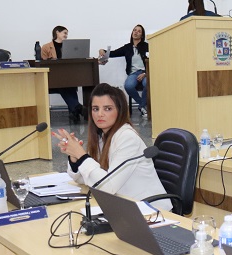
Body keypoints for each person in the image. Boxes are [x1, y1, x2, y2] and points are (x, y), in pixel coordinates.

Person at [52, 83, 171, 211]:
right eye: (95, 109)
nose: (100, 114)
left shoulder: (127, 138)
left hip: (151, 210)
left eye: (107, 109)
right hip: (123, 206)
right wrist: (75, 158)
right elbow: (87, 179)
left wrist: (81, 155)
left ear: (120, 111)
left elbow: (107, 186)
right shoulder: (102, 136)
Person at [99, 25, 149, 117]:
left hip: (145, 73)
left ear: (142, 35)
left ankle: (143, 107)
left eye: (139, 31)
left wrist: (145, 73)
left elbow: (152, 60)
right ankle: (143, 105)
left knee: (147, 83)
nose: (136, 32)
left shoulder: (147, 46)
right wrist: (103, 50)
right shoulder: (127, 47)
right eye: (134, 30)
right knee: (128, 86)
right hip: (133, 73)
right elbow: (114, 53)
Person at [40, 25, 85, 123]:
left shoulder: (70, 47)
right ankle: (77, 108)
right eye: (64, 33)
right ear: (57, 32)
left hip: (66, 76)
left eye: (67, 34)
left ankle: (75, 110)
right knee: (63, 84)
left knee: (68, 84)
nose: (66, 35)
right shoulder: (46, 47)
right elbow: (43, 63)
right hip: (52, 78)